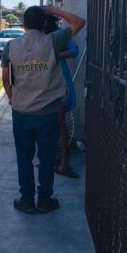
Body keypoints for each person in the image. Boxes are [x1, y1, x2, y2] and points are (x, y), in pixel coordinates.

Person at [1, 5, 85, 214]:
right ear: (44, 23)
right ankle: (45, 200)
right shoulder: (53, 41)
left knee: (24, 157)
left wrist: (13, 99)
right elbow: (79, 22)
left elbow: (5, 77)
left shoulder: (11, 46)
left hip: (22, 112)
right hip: (48, 112)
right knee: (46, 157)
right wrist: (53, 9)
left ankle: (27, 200)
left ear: (24, 24)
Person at [44, 15, 80, 179]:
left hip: (59, 86)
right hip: (44, 87)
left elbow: (74, 50)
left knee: (60, 125)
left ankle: (64, 162)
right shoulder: (39, 36)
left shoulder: (59, 34)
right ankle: (50, 159)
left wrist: (56, 55)